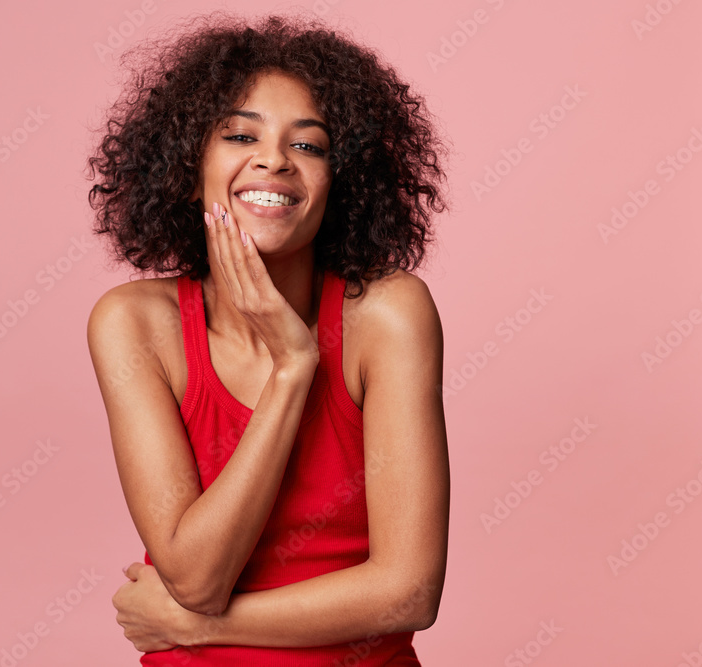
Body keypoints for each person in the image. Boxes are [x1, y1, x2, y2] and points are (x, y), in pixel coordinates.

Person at [86, 11, 450, 666]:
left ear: (343, 180)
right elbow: (196, 575)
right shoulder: (134, 323)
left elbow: (410, 592)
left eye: (308, 145)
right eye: (239, 134)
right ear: (187, 163)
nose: (274, 159)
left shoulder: (389, 316)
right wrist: (292, 368)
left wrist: (196, 626)